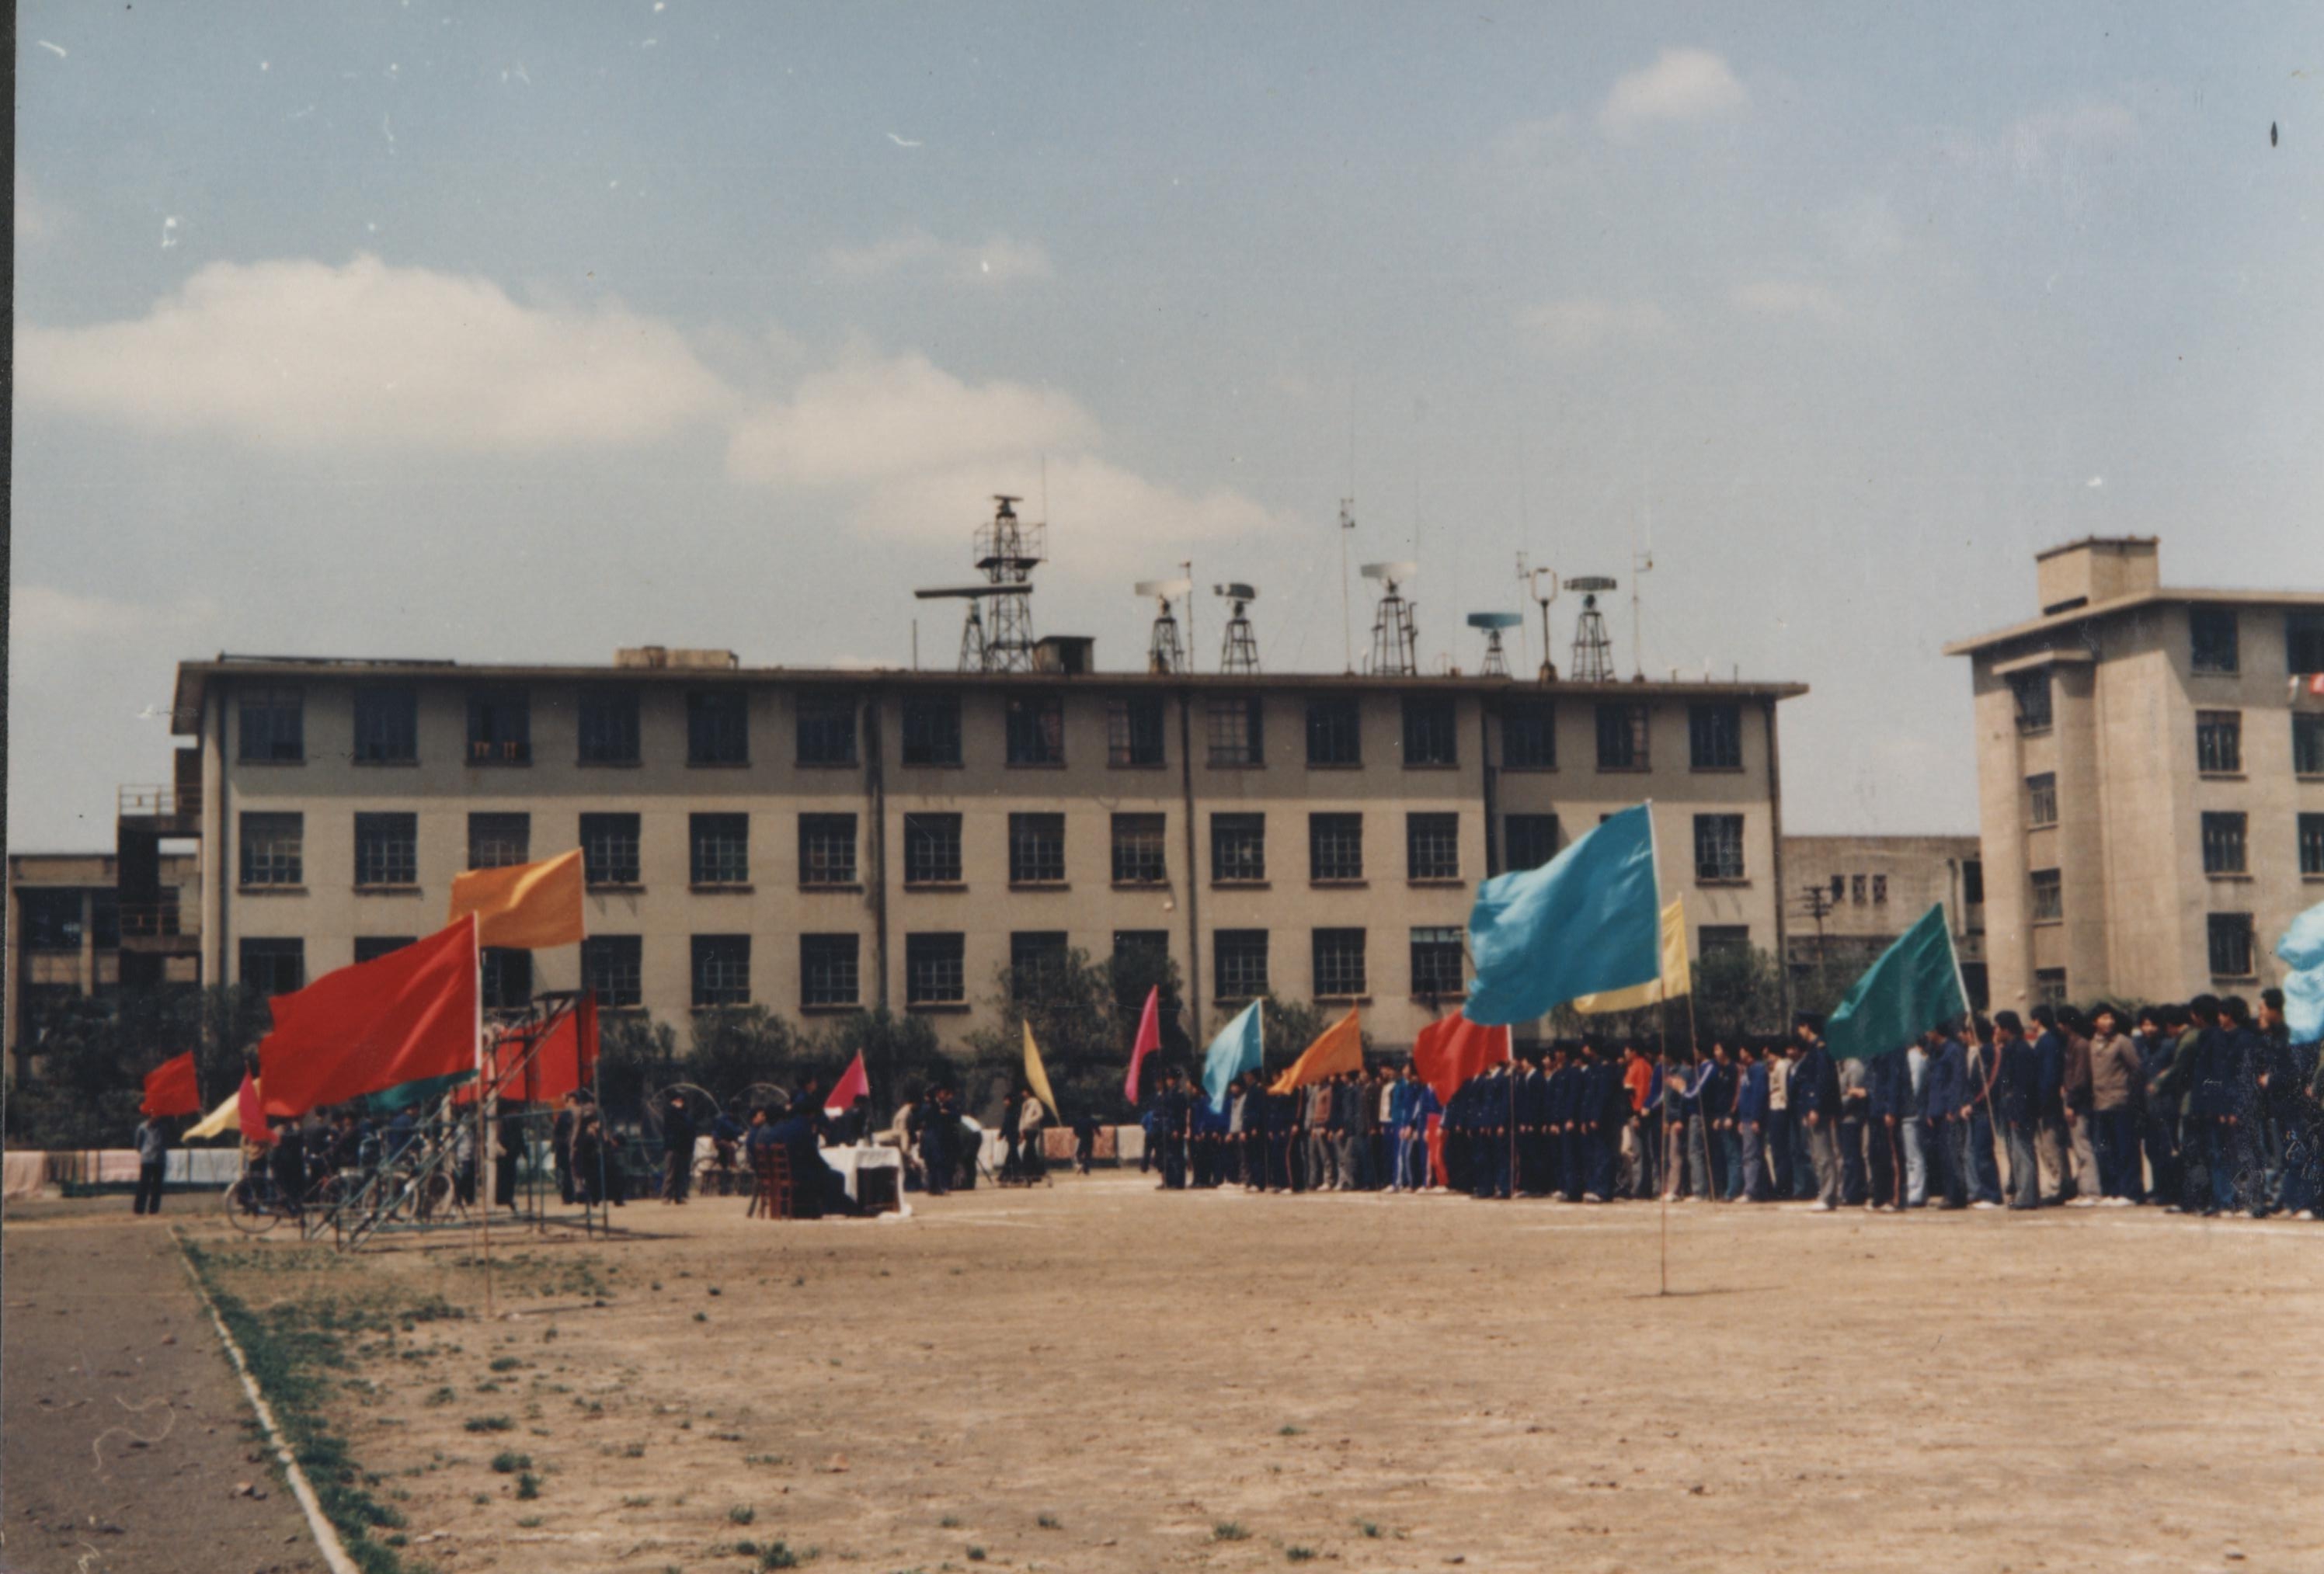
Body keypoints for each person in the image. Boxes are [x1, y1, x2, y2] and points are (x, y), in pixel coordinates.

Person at [2086, 1002, 2142, 1204]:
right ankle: (2112, 1191)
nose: (2108, 1022)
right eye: (2103, 1018)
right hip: (2099, 1103)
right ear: (2094, 1022)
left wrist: (2128, 1092)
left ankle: (2130, 1192)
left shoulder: (2122, 1042)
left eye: (2110, 1018)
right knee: (2105, 1150)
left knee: (2125, 1148)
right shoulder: (2091, 1044)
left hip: (2120, 1101)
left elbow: (2136, 1068)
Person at [1793, 1016, 1842, 1211]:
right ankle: (1825, 1193)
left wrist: (1815, 1107)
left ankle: (1828, 1195)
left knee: (1823, 1153)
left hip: (1818, 1109)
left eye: (1800, 1027)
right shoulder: (1813, 1050)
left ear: (1807, 1027)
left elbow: (1821, 1081)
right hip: (1810, 1108)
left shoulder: (1820, 1049)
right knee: (1816, 1154)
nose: (1799, 1032)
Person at [1995, 1012, 2044, 1211]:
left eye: (1998, 1028)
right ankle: (2023, 1193)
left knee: (2023, 1152)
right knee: (2016, 1153)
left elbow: (2023, 1086)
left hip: (2021, 1109)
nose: (1996, 1032)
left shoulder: (2021, 1051)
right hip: (2012, 1108)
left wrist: (2017, 1113)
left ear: (2006, 1029)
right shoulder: (2011, 1050)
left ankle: (2027, 1196)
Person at [661, 1092, 695, 1205]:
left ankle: (679, 1196)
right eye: (677, 1100)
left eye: (681, 1101)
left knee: (681, 1173)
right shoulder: (670, 1113)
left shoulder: (684, 1115)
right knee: (670, 1173)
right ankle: (666, 1196)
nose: (679, 1103)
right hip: (673, 1146)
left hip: (683, 1147)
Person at [133, 1113, 169, 1215]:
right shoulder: (142, 1127)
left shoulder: (163, 1128)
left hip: (160, 1159)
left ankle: (154, 1209)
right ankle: (139, 1209)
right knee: (144, 1184)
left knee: (157, 1186)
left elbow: (166, 1141)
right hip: (147, 1159)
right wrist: (144, 1151)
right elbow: (138, 1144)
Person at [1019, 1088, 1049, 1183]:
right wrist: (1021, 1130)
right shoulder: (1024, 1104)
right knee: (1031, 1150)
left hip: (1033, 1129)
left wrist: (1030, 1120)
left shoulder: (1035, 1102)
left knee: (1028, 1149)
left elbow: (1040, 1114)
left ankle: (1030, 1171)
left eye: (1024, 1091)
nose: (1023, 1093)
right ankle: (1036, 1172)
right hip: (1026, 1129)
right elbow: (1022, 1117)